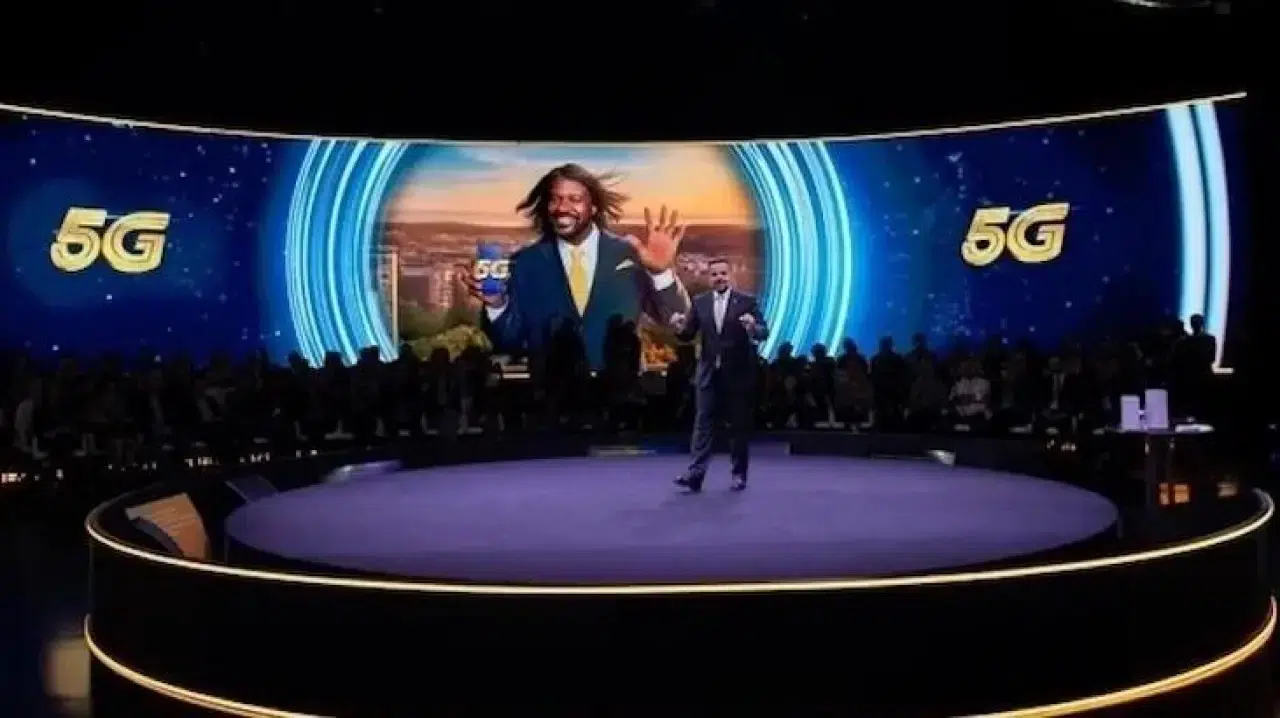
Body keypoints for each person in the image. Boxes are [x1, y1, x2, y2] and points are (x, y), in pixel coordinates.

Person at [461, 163, 690, 369]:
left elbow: (679, 324)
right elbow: (509, 342)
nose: (562, 207)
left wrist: (661, 273)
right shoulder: (524, 263)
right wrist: (497, 305)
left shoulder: (629, 255)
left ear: (593, 207)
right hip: (551, 396)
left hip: (621, 395)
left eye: (574, 199)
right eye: (555, 199)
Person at [669, 258, 768, 492]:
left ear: (730, 275)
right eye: (714, 274)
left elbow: (763, 332)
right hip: (708, 373)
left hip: (737, 374)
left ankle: (739, 474)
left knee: (737, 425)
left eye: (723, 273)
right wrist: (678, 327)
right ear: (708, 277)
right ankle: (695, 474)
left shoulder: (746, 302)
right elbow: (688, 334)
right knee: (702, 424)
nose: (719, 278)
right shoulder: (700, 302)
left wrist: (752, 327)